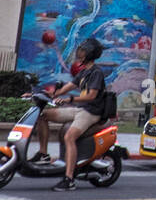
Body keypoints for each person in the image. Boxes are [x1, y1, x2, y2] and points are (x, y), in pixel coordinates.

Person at [32, 38, 107, 191]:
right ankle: (43, 154)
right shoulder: (84, 72)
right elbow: (67, 87)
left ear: (89, 54)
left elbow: (91, 96)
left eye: (82, 51)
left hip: (90, 112)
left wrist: (71, 99)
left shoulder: (96, 73)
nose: (79, 53)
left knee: (69, 137)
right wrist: (47, 94)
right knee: (43, 115)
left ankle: (69, 179)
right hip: (80, 109)